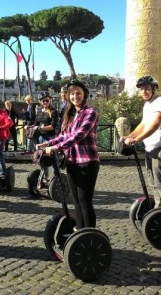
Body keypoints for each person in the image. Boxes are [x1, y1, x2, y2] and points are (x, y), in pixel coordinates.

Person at [36, 80, 100, 229]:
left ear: (84, 94)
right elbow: (64, 135)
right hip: (72, 161)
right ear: (68, 96)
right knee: (76, 200)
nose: (75, 96)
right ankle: (79, 231)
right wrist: (47, 144)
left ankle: (90, 233)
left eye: (78, 93)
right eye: (72, 93)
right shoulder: (70, 114)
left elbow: (79, 135)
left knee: (85, 201)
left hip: (87, 161)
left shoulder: (90, 112)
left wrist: (56, 148)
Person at [123, 75, 161, 209]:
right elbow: (144, 124)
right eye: (141, 89)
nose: (144, 92)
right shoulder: (147, 105)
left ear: (153, 89)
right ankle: (158, 212)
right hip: (151, 148)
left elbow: (155, 124)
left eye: (147, 89)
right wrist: (129, 135)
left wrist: (136, 139)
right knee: (153, 183)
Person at [32, 91, 59, 183]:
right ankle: (45, 177)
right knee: (42, 157)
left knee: (53, 156)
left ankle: (57, 175)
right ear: (40, 101)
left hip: (50, 137)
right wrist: (30, 126)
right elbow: (36, 121)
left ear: (50, 100)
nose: (45, 102)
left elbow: (53, 126)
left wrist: (40, 127)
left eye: (47, 100)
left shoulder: (54, 111)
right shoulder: (39, 109)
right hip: (41, 136)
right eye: (43, 101)